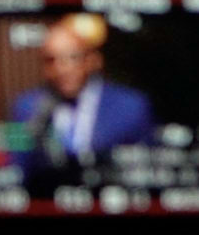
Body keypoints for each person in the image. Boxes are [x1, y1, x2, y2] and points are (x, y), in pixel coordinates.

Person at [8, 12, 159, 171]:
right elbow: (15, 167)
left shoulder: (132, 106)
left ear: (93, 60)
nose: (61, 69)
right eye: (51, 60)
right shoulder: (24, 108)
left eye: (72, 58)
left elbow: (148, 169)